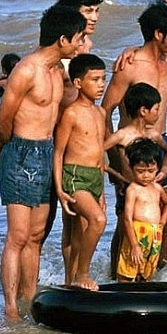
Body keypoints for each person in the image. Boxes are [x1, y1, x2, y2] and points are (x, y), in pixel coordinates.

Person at [0, 5, 86, 319]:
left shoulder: (58, 72)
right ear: (63, 39)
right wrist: (5, 146)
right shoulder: (27, 70)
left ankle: (29, 300)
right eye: (78, 39)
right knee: (18, 235)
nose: (81, 45)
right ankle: (11, 307)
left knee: (37, 236)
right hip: (21, 151)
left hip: (46, 151)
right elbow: (2, 119)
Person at [102, 2, 167, 276]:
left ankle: (157, 277)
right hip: (129, 148)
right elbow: (103, 113)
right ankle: (118, 278)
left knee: (160, 216)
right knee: (127, 217)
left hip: (159, 142)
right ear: (157, 34)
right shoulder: (129, 66)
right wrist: (117, 160)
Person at [101, 82, 167, 280]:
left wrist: (165, 168)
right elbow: (97, 157)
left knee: (152, 227)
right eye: (156, 109)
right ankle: (117, 275)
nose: (158, 113)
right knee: (124, 228)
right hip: (128, 188)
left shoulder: (153, 134)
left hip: (150, 188)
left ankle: (149, 274)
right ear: (143, 110)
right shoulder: (122, 135)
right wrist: (118, 177)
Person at [52, 53, 107, 291]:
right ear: (77, 83)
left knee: (80, 233)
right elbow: (58, 153)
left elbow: (99, 153)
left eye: (103, 79)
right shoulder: (71, 113)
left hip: (95, 178)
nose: (101, 85)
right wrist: (59, 189)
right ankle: (83, 273)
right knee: (98, 220)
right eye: (94, 80)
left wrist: (102, 190)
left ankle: (71, 282)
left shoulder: (101, 113)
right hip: (75, 176)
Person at [117, 138, 167, 282]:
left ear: (157, 168)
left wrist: (163, 220)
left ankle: (143, 297)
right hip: (136, 233)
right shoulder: (133, 189)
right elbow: (127, 218)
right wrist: (134, 245)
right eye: (140, 171)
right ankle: (123, 297)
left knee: (147, 272)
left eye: (151, 171)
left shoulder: (157, 188)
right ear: (131, 167)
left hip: (154, 234)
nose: (146, 175)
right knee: (128, 270)